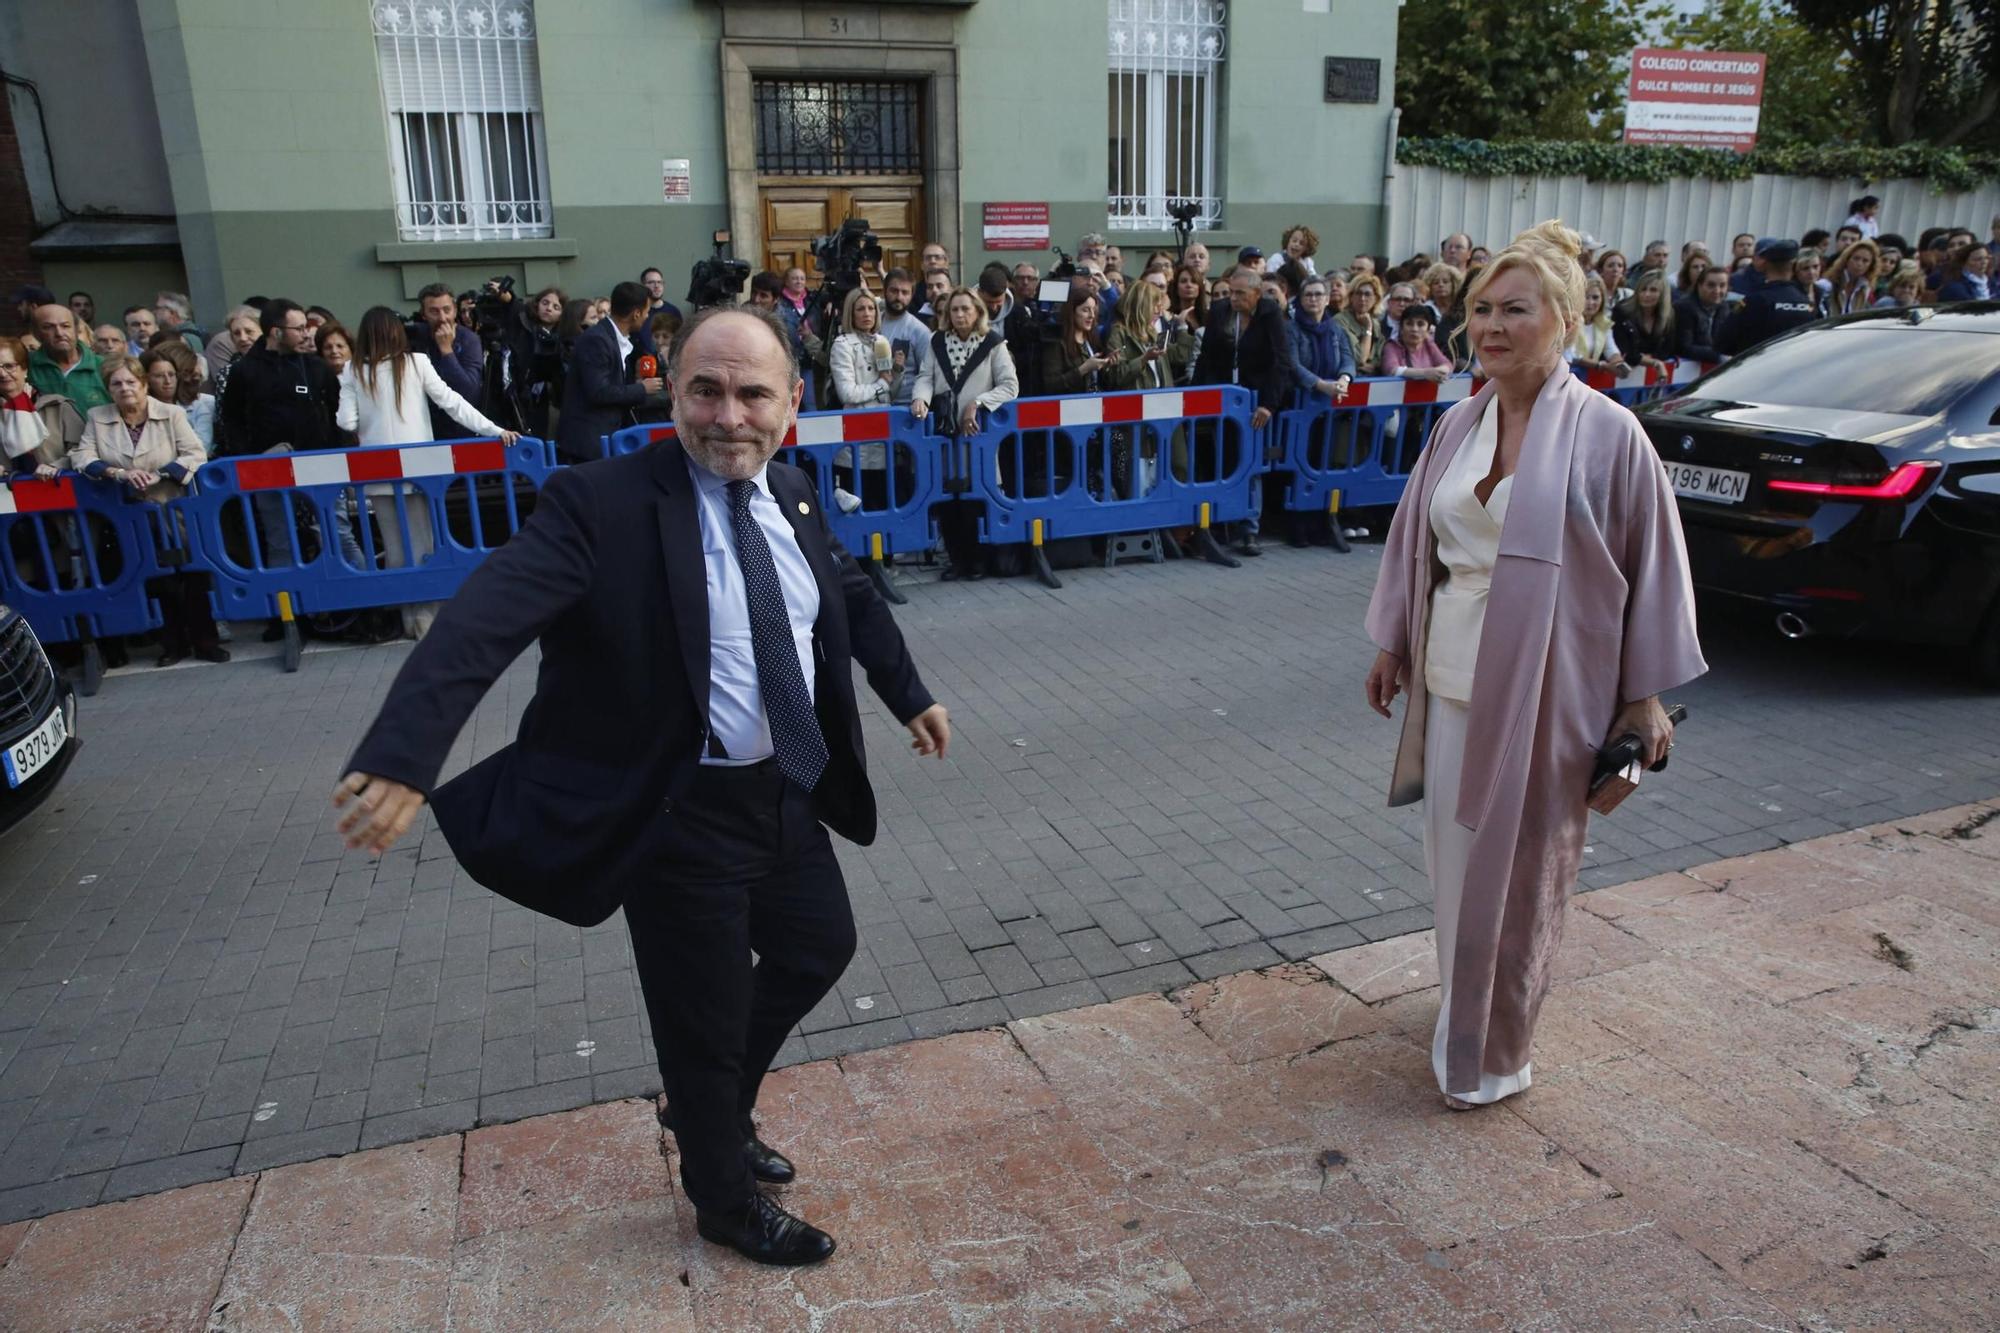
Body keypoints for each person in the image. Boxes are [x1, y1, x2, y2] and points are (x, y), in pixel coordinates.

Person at [334, 302, 948, 1267]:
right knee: (698, 1018)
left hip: (783, 789)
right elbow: (484, 617)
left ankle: (708, 1105)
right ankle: (721, 1194)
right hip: (675, 810)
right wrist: (407, 752)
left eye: (753, 393)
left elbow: (849, 596)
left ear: (793, 400)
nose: (728, 415)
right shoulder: (599, 502)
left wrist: (908, 693)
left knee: (819, 944)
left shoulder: (792, 492)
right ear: (672, 393)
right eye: (706, 389)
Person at [1362, 219, 1705, 1111]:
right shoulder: (1456, 423)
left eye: (1516, 309)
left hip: (1550, 696)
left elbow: (1654, 569)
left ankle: (1495, 1049)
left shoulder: (1610, 435)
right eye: (1480, 309)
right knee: (1454, 870)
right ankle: (1459, 1010)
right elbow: (1416, 542)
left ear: (1564, 318)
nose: (1491, 327)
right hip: (1450, 684)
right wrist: (1395, 640)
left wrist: (1644, 699)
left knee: (1518, 885)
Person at [338, 307, 518, 639]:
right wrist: (494, 430)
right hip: (419, 470)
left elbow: (346, 422)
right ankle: (429, 619)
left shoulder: (352, 370)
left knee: (394, 549)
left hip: (376, 474)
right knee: (424, 543)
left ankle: (407, 619)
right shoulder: (416, 363)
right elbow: (451, 402)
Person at [74, 356, 228, 667]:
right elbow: (82, 457)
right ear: (108, 389)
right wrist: (118, 473)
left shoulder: (170, 414)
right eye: (116, 384)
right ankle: (172, 644)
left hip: (173, 505)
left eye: (131, 382)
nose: (124, 388)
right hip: (129, 510)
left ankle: (205, 641)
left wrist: (160, 473)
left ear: (144, 384)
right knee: (155, 577)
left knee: (191, 572)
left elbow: (195, 452)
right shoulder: (97, 416)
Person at [912, 287, 1020, 580]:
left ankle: (978, 562)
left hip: (979, 435)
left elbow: (1010, 385)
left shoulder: (993, 343)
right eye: (954, 310)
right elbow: (925, 376)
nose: (959, 315)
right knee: (949, 497)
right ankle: (957, 561)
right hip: (945, 432)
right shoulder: (937, 341)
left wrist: (979, 402)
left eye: (965, 309)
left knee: (977, 495)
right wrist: (920, 398)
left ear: (977, 312)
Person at [1193, 267, 1299, 557]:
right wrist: (1196, 395)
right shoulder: (1219, 312)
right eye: (1231, 292)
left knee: (1251, 465)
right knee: (1222, 461)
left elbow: (1281, 361)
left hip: (1256, 400)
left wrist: (1269, 404)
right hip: (1224, 399)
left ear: (1256, 293)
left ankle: (1250, 529)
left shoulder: (1269, 314)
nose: (1233, 298)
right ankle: (1221, 524)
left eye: (1240, 293)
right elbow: (1207, 357)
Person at [554, 281, 667, 466]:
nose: (647, 316)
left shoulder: (613, 338)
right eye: (646, 311)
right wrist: (641, 388)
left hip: (606, 440)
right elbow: (598, 392)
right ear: (636, 313)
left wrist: (634, 383)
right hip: (589, 443)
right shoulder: (597, 340)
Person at [0, 335, 83, 480]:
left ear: (24, 369)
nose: (2, 374)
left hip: (55, 490)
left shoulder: (58, 407)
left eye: (9, 366)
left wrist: (56, 466)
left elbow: (82, 450)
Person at [494, 286, 565, 438]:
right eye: (545, 303)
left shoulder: (562, 338)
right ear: (537, 304)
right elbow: (514, 307)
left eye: (556, 307)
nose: (549, 309)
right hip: (519, 396)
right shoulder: (524, 327)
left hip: (548, 401)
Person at [1719, 240, 1815, 353]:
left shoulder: (1754, 301)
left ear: (1765, 265)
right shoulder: (1807, 303)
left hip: (1758, 365)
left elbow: (1722, 342)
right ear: (1793, 266)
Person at [828, 286, 902, 408]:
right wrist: (881, 385)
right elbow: (847, 394)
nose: (867, 314)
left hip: (884, 416)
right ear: (851, 313)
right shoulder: (842, 345)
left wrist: (897, 371)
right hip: (858, 418)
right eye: (860, 309)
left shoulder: (882, 341)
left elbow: (891, 394)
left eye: (871, 308)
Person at [28, 304, 111, 412]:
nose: (59, 333)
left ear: (76, 330)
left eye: (65, 326)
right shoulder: (26, 365)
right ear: (36, 334)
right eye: (48, 327)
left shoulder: (104, 366)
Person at [1291, 274, 1357, 402]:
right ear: (1301, 300)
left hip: (1333, 399)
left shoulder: (1336, 328)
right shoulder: (1291, 328)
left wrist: (1344, 379)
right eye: (1308, 295)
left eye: (1318, 294)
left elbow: (1348, 359)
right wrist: (1322, 385)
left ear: (1327, 300)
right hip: (1299, 400)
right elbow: (1293, 365)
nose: (1313, 299)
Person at [142, 343, 216, 455]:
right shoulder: (138, 408)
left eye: (171, 374)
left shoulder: (202, 405)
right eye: (159, 375)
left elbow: (200, 450)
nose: (168, 381)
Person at [875, 270, 931, 407]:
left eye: (905, 292)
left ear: (911, 295)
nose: (899, 297)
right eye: (894, 291)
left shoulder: (920, 331)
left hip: (904, 407)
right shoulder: (872, 324)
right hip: (871, 404)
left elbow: (926, 375)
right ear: (885, 291)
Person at [1040, 289, 1109, 396]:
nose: (1092, 316)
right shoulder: (1056, 342)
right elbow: (1052, 385)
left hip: (1095, 402)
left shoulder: (1092, 339)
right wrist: (1083, 369)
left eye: (1094, 310)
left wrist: (1108, 364)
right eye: (1086, 310)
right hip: (1069, 406)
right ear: (1072, 312)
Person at [1611, 271, 1676, 369]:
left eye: (1653, 290)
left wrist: (1650, 359)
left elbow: (1668, 350)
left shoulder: (1669, 315)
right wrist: (1652, 362)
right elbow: (1625, 351)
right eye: (1643, 289)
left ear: (1663, 294)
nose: (1647, 294)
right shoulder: (1622, 311)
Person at [1567, 275, 1625, 375]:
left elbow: (1610, 349)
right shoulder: (1569, 321)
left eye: (1595, 297)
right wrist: (1601, 365)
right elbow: (1571, 355)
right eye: (1585, 297)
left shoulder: (1603, 322)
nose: (1590, 302)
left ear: (1602, 300)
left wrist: (1618, 363)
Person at [1675, 266, 1733, 364]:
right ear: (1699, 285)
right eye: (1711, 285)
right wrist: (1719, 355)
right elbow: (1683, 348)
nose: (1717, 291)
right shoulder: (1684, 308)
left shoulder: (1724, 306)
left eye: (1722, 285)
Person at [1383, 302, 1452, 381]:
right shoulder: (1392, 345)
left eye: (1420, 324)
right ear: (1401, 328)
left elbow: (1448, 365)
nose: (1414, 329)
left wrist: (1436, 372)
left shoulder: (1428, 343)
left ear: (1428, 330)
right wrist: (1426, 373)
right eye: (1409, 324)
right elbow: (1392, 370)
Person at [1336, 275, 1387, 375]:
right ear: (1351, 297)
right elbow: (1360, 358)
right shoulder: (1340, 321)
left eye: (1367, 294)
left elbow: (1380, 357)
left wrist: (1374, 366)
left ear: (1376, 298)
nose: (1362, 298)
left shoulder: (1376, 323)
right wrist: (1368, 329)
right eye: (1358, 294)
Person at [205, 305, 262, 385]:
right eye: (236, 333)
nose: (243, 338)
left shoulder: (282, 364)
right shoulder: (228, 373)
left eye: (249, 331)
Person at [1828, 240, 1882, 316]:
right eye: (1856, 258)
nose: (1859, 264)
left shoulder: (1865, 289)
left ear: (1871, 265)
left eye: (1865, 261)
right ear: (1847, 259)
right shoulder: (1828, 284)